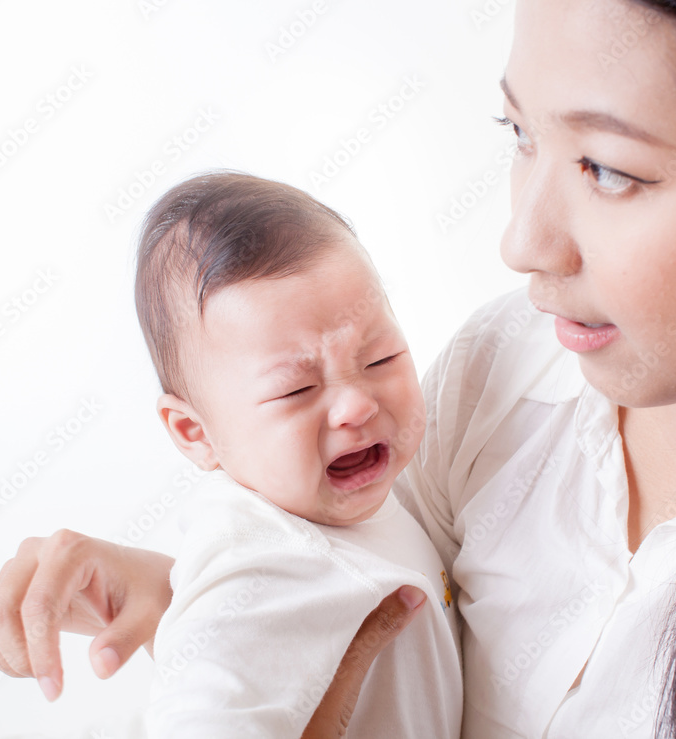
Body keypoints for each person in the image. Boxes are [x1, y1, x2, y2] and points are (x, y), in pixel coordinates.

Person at [0, 0, 676, 736]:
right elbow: (370, 570)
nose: (522, 242)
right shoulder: (509, 365)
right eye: (519, 136)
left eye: (608, 169)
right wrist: (190, 586)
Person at [132, 172, 460, 737]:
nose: (356, 404)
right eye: (296, 391)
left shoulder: (365, 499)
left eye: (380, 357)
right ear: (195, 432)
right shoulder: (258, 561)